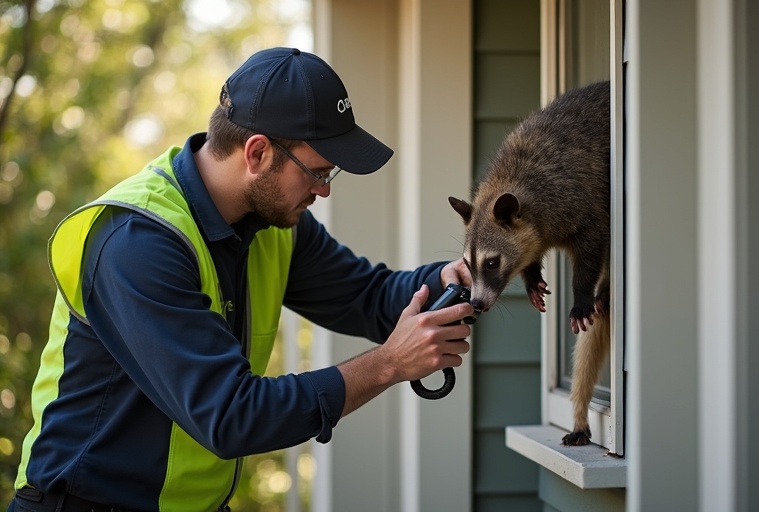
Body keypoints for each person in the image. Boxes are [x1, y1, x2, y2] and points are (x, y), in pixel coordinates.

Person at [9, 47, 473, 512]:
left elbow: (368, 296)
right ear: (257, 152)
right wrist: (388, 364)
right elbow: (231, 415)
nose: (324, 189)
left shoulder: (275, 224)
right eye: (317, 171)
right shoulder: (139, 241)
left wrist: (460, 276)